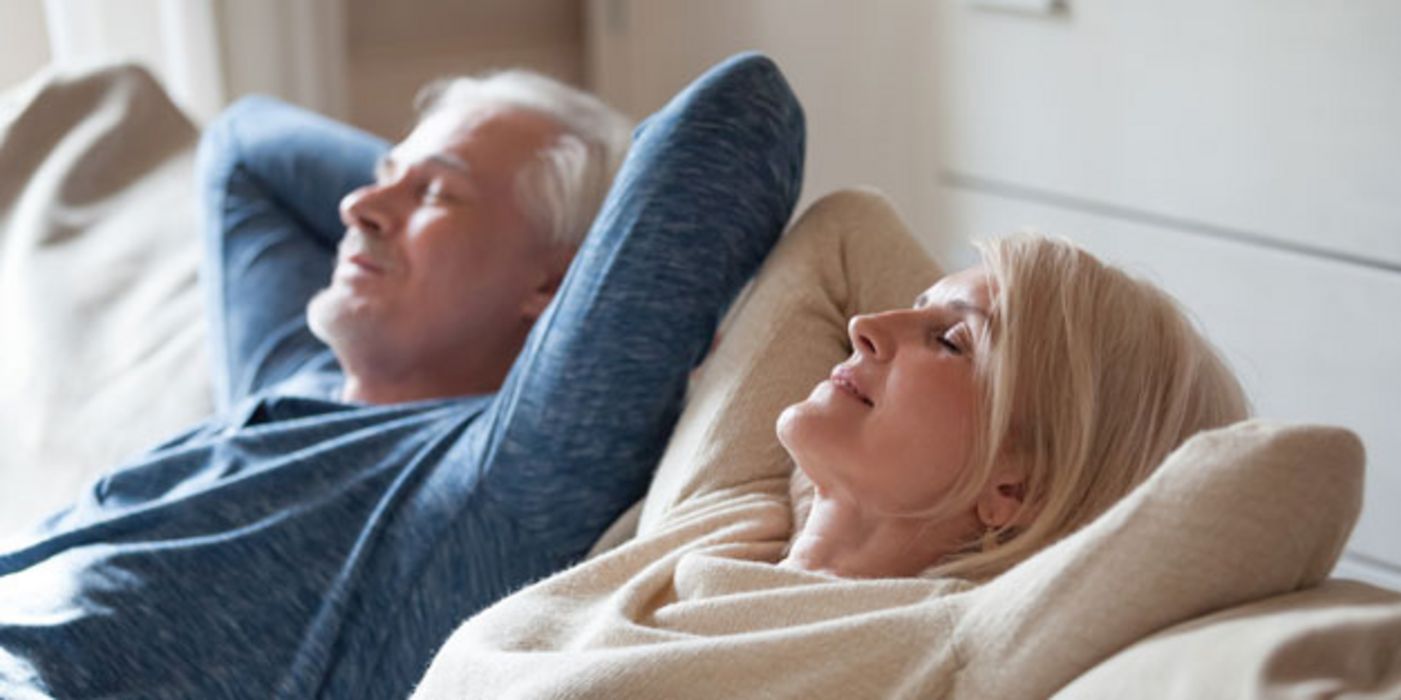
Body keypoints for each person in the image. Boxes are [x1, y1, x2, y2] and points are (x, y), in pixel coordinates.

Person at [0, 54, 805, 699]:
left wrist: (561, 232)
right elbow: (246, 147)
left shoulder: (498, 479)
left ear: (558, 290)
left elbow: (740, 117)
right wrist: (434, 182)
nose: (357, 204)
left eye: (435, 194)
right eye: (382, 170)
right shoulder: (291, 372)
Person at [406, 190, 1252, 698]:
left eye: (949, 341)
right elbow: (845, 228)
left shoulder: (955, 644)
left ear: (1013, 489)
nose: (865, 327)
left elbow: (1294, 479)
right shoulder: (727, 515)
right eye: (912, 308)